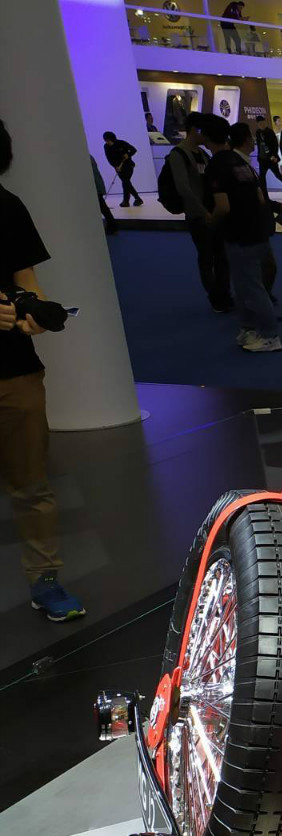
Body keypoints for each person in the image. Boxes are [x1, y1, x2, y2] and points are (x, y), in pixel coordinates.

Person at [0, 121, 85, 621]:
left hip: (14, 371)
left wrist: (35, 313)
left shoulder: (7, 207)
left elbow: (27, 283)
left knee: (32, 484)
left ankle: (45, 580)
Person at [208, 120, 280, 352]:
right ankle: (248, 328)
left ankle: (269, 335)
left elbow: (223, 206)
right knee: (245, 284)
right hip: (255, 230)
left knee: (249, 285)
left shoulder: (219, 165)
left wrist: (210, 224)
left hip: (239, 233)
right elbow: (259, 198)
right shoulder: (243, 164)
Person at [167, 113, 232, 312]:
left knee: (221, 256)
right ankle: (216, 297)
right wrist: (203, 212)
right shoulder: (178, 154)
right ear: (195, 130)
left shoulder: (203, 153)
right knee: (206, 257)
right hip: (198, 216)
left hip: (213, 213)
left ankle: (224, 294)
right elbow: (183, 188)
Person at [102, 131, 141, 207]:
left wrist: (128, 154)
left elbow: (133, 149)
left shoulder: (121, 143)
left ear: (112, 139)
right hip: (119, 168)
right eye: (106, 140)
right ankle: (131, 200)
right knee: (126, 183)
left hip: (128, 165)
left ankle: (130, 200)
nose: (107, 142)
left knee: (125, 182)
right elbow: (109, 158)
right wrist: (115, 166)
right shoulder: (106, 147)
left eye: (108, 140)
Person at [253, 115, 282, 197]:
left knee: (278, 175)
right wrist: (259, 156)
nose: (261, 125)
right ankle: (265, 196)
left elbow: (274, 145)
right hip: (263, 159)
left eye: (262, 123)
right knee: (262, 178)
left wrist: (274, 156)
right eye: (259, 124)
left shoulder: (270, 132)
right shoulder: (258, 133)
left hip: (271, 158)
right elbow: (260, 145)